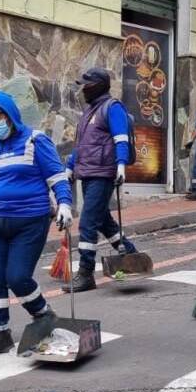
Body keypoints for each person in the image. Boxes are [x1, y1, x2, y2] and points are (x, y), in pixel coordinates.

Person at [0, 90, 73, 358]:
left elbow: (56, 176)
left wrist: (65, 204)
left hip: (29, 221)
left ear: (10, 116)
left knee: (17, 277)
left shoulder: (35, 141)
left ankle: (42, 313)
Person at [64, 68, 139, 292]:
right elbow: (81, 145)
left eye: (86, 85)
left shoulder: (112, 108)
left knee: (88, 222)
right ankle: (131, 254)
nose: (82, 89)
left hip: (103, 174)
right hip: (88, 173)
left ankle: (86, 273)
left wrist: (121, 164)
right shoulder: (89, 112)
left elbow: (121, 138)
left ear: (97, 86)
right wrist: (70, 167)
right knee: (104, 221)